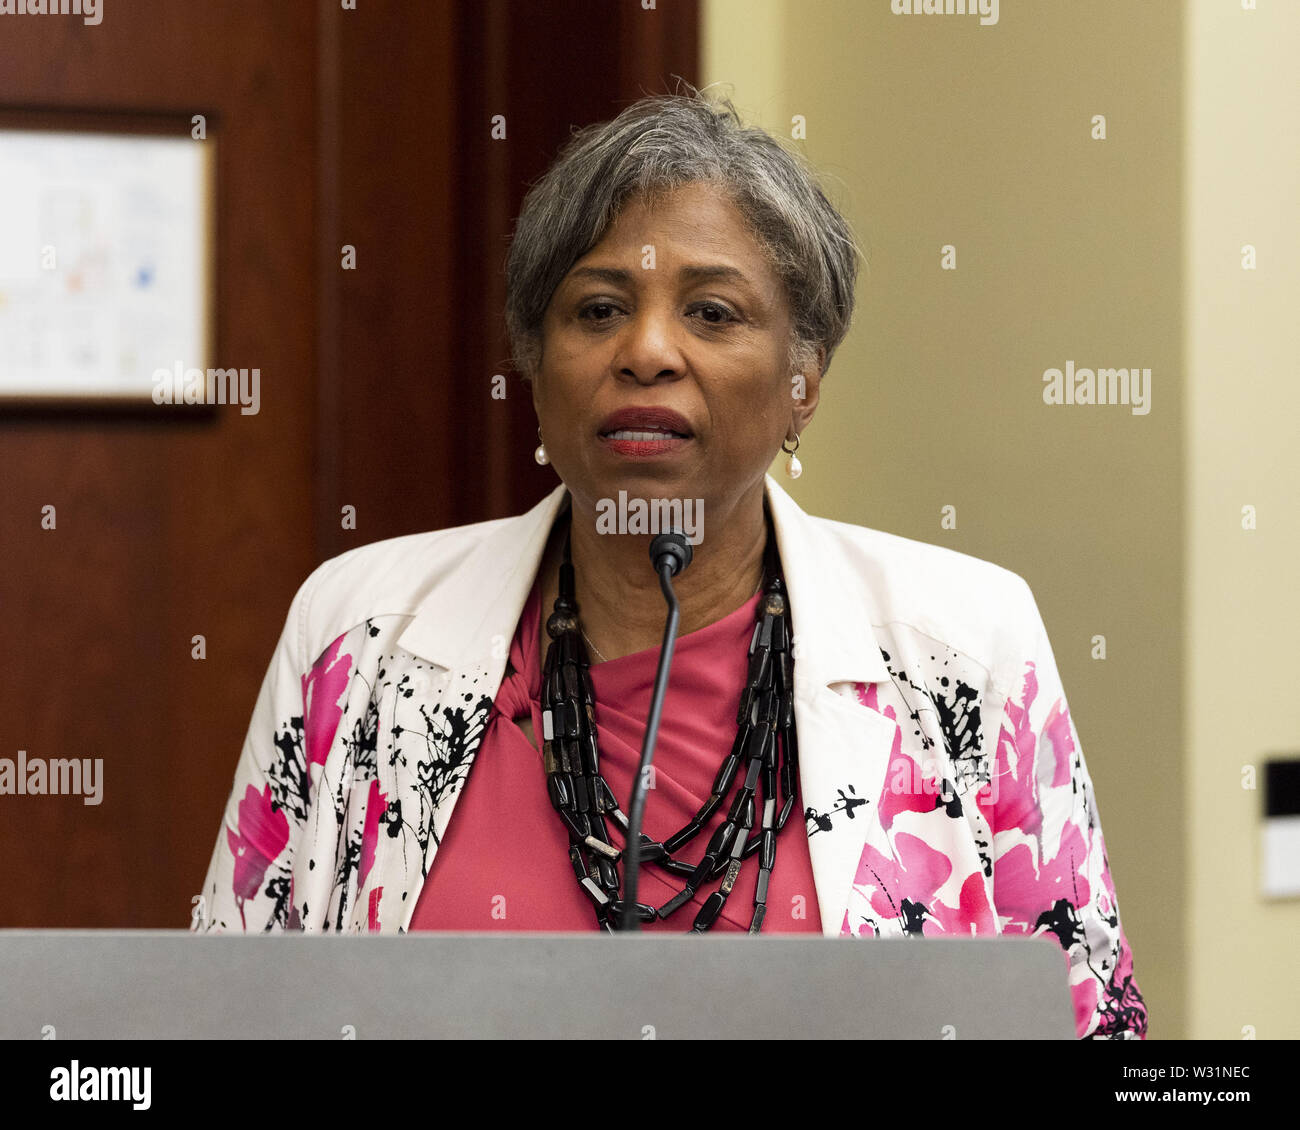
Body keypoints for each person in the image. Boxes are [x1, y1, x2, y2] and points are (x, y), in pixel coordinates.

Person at [196, 89, 1147, 1040]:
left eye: (712, 312)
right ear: (535, 367)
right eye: (600, 308)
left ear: (802, 383)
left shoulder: (964, 651)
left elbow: (1094, 1029)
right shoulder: (361, 638)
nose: (647, 350)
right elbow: (221, 1015)